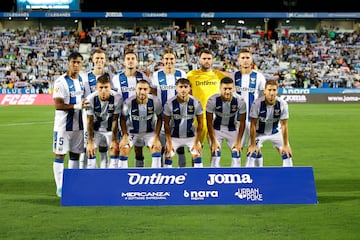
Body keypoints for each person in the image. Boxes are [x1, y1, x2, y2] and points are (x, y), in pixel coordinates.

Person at [52, 52, 88, 198]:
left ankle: (72, 185)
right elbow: (58, 105)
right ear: (68, 63)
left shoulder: (82, 80)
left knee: (75, 154)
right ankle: (60, 187)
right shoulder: (60, 82)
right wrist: (76, 106)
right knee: (60, 155)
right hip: (63, 127)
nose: (76, 65)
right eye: (73, 62)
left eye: (79, 62)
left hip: (79, 126)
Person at [111, 48, 152, 168]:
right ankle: (120, 176)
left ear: (136, 61)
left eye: (133, 59)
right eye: (128, 59)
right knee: (121, 148)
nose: (130, 61)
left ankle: (139, 173)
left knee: (139, 150)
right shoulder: (116, 78)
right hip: (123, 119)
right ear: (123, 62)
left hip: (141, 118)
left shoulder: (143, 76)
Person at [151, 47, 188, 167]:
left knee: (180, 148)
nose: (169, 61)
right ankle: (163, 171)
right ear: (162, 60)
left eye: (171, 58)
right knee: (162, 147)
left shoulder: (181, 74)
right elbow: (154, 95)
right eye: (166, 59)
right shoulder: (156, 75)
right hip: (162, 117)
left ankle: (183, 171)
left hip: (179, 116)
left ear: (175, 60)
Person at [229, 48, 266, 166]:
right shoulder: (233, 76)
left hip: (253, 119)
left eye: (247, 58)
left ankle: (258, 173)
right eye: (243, 58)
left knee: (255, 148)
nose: (245, 60)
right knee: (236, 149)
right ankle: (237, 175)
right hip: (237, 120)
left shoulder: (259, 77)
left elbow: (264, 96)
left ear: (252, 60)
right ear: (238, 60)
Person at [246, 79, 293, 167]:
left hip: (275, 132)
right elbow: (252, 124)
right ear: (264, 91)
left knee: (287, 154)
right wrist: (252, 144)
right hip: (259, 133)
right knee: (251, 154)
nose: (271, 93)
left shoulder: (282, 104)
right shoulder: (257, 104)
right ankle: (256, 174)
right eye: (269, 90)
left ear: (277, 91)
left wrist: (286, 145)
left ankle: (288, 177)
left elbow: (284, 125)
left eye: (274, 90)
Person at [118, 79, 163, 168]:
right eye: (140, 89)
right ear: (135, 89)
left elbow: (160, 118)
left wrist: (156, 137)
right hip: (132, 132)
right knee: (124, 148)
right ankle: (122, 177)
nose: (142, 92)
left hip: (149, 132)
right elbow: (122, 118)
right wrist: (124, 136)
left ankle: (155, 175)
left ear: (149, 90)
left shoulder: (155, 101)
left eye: (145, 89)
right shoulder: (129, 102)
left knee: (156, 148)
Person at [187, 48, 228, 145]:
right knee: (196, 147)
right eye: (204, 58)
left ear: (213, 60)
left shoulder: (219, 75)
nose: (206, 61)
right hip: (198, 115)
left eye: (209, 58)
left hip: (215, 115)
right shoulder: (191, 75)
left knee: (215, 147)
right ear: (199, 60)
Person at [206, 77, 247, 167]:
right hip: (216, 129)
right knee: (215, 154)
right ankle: (215, 177)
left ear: (234, 89)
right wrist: (213, 141)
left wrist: (239, 141)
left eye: (230, 89)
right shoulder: (212, 100)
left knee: (236, 154)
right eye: (225, 89)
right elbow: (209, 122)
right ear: (220, 88)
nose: (227, 92)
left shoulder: (240, 101)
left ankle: (235, 176)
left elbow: (243, 122)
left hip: (232, 129)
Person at [80, 48, 111, 168]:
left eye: (102, 58)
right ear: (92, 60)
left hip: (105, 117)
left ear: (105, 60)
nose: (99, 60)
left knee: (104, 149)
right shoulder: (84, 78)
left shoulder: (111, 77)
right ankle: (85, 176)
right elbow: (80, 96)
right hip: (88, 117)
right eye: (97, 58)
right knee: (86, 148)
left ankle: (104, 176)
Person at [163, 78, 204, 168]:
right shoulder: (169, 104)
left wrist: (196, 142)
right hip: (174, 137)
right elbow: (166, 124)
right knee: (168, 155)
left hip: (191, 137)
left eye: (186, 87)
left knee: (197, 154)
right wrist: (169, 143)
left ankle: (199, 180)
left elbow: (201, 123)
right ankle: (166, 179)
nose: (183, 89)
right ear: (176, 88)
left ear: (189, 89)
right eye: (180, 87)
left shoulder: (196, 103)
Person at [85, 74, 123, 169]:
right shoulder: (90, 99)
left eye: (106, 87)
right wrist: (90, 142)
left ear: (110, 87)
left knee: (114, 150)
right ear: (96, 88)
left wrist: (114, 140)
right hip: (96, 130)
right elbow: (89, 121)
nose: (103, 90)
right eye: (101, 87)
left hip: (111, 130)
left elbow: (115, 120)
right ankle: (94, 179)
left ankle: (111, 179)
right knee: (90, 151)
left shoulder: (117, 98)